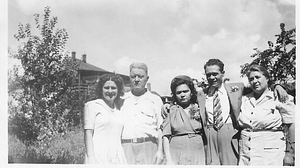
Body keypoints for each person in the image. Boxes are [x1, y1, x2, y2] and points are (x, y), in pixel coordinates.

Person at [199, 59, 288, 165]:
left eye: (215, 74)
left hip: (229, 132)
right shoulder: (201, 94)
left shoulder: (237, 88)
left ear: (223, 73)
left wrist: (277, 86)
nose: (211, 78)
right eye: (208, 75)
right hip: (210, 133)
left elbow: (259, 87)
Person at [238, 64, 295, 166]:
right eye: (251, 79)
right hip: (246, 153)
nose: (254, 81)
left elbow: (292, 125)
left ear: (267, 78)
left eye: (258, 77)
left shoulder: (279, 97)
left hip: (271, 153)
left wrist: (290, 154)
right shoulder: (244, 99)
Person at [120, 62, 164, 164]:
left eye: (140, 76)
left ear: (147, 78)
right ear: (129, 78)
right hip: (126, 147)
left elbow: (160, 127)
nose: (136, 80)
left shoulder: (155, 100)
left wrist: (160, 151)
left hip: (149, 147)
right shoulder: (121, 99)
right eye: (133, 76)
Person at [161, 75, 206, 165]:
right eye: (179, 92)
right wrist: (169, 160)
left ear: (191, 92)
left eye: (185, 91)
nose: (182, 95)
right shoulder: (171, 110)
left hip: (197, 148)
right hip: (177, 149)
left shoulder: (199, 108)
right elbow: (165, 136)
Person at [83, 73, 126, 164]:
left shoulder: (119, 108)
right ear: (101, 89)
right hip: (98, 156)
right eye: (106, 87)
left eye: (113, 88)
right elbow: (88, 133)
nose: (110, 91)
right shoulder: (92, 106)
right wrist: (91, 157)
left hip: (117, 156)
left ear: (118, 90)